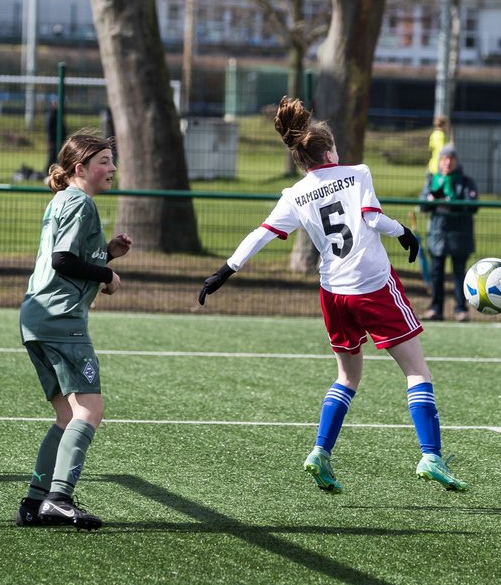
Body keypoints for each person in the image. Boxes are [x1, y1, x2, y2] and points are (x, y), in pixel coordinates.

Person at [197, 96, 467, 493]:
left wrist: (224, 271)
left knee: (347, 376)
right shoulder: (357, 173)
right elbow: (372, 218)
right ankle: (431, 456)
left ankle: (320, 452)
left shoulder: (295, 194)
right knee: (416, 371)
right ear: (330, 151)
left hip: (333, 293)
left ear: (302, 161)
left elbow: (261, 235)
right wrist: (405, 232)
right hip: (372, 286)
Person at [16, 131, 131, 530]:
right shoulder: (81, 202)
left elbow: (66, 253)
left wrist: (107, 251)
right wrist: (106, 274)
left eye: (112, 160)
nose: (112, 168)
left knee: (67, 416)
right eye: (103, 161)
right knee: (90, 409)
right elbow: (64, 260)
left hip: (36, 316)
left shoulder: (63, 200)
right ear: (80, 169)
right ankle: (60, 498)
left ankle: (34, 502)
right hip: (61, 318)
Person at [420, 145, 479, 323]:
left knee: (459, 274)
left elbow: (472, 205)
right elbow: (422, 204)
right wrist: (431, 201)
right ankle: (436, 308)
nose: (447, 162)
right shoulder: (432, 181)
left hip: (459, 236)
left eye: (450, 159)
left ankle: (461, 309)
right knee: (436, 273)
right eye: (444, 158)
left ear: (456, 161)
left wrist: (450, 202)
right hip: (437, 235)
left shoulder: (466, 182)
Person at [426, 116, 450, 186]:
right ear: (444, 125)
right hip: (439, 167)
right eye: (447, 124)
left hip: (432, 166)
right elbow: (442, 152)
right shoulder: (441, 135)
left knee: (429, 188)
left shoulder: (433, 134)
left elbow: (431, 148)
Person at [45, 101, 65, 169]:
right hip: (54, 139)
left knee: (57, 155)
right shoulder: (52, 114)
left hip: (59, 139)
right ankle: (47, 170)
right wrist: (50, 140)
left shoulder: (57, 113)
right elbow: (49, 129)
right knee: (53, 156)